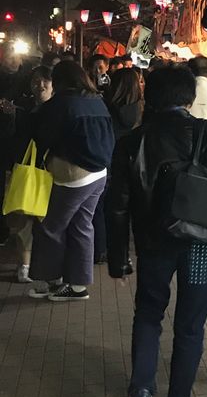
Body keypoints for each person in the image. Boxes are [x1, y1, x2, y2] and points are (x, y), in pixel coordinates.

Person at [107, 65, 207, 397]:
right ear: (189, 97)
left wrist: (119, 260)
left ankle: (141, 391)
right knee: (190, 324)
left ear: (149, 96)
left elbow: (117, 205)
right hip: (199, 245)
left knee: (149, 314)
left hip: (153, 243)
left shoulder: (132, 142)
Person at [27, 61, 114, 301]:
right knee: (82, 226)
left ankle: (52, 282)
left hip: (73, 174)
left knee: (51, 227)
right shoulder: (97, 100)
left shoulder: (61, 103)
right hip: (99, 174)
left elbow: (42, 134)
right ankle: (77, 287)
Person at [92, 68, 145, 264]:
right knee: (126, 211)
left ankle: (100, 250)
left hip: (108, 161)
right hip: (134, 165)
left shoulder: (106, 107)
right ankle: (121, 253)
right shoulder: (141, 109)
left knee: (102, 208)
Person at [7, 66, 53, 282]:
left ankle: (43, 263)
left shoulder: (59, 107)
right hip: (25, 168)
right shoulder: (23, 105)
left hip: (51, 170)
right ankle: (24, 265)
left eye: (45, 80)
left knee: (48, 220)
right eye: (36, 80)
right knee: (23, 219)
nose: (40, 85)